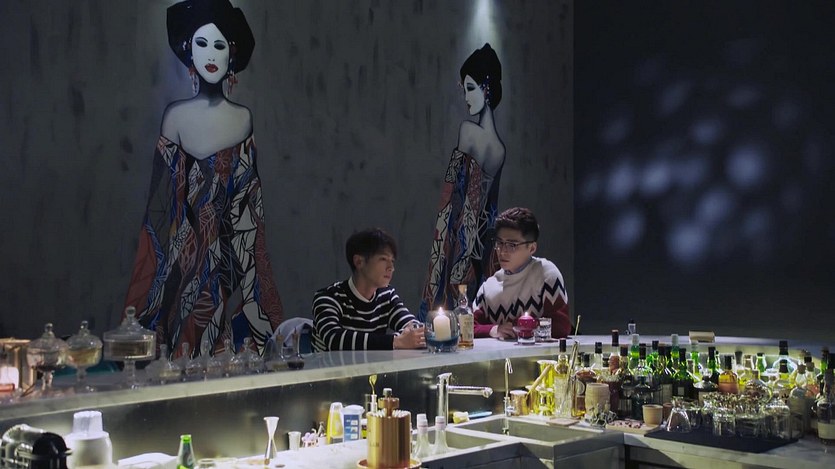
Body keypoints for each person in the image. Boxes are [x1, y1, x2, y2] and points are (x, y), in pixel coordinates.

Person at [124, 0, 283, 358]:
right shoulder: (176, 117)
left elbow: (249, 204)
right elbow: (160, 207)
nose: (210, 54)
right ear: (188, 50)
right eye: (201, 43)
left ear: (231, 55)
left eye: (219, 45)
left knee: (229, 349)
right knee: (176, 349)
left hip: (229, 256)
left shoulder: (243, 119)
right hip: (180, 257)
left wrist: (241, 272)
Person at [418, 44, 506, 322]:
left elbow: (451, 196)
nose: (466, 97)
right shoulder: (500, 149)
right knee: (473, 318)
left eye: (470, 88)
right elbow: (491, 207)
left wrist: (441, 252)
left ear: (486, 88)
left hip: (460, 240)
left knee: (445, 317)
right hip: (484, 246)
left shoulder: (468, 131)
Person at [312, 229, 426, 351]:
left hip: (373, 364)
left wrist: (404, 339)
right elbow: (334, 339)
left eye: (392, 261)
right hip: (330, 364)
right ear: (359, 262)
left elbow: (415, 327)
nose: (391, 268)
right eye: (383, 259)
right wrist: (396, 341)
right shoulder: (328, 297)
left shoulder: (386, 295)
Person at [472, 207, 571, 339]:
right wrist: (493, 329)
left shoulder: (545, 273)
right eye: (499, 243)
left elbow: (561, 326)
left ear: (532, 248)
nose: (502, 251)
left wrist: (518, 327)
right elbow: (468, 327)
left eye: (511, 245)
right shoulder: (489, 286)